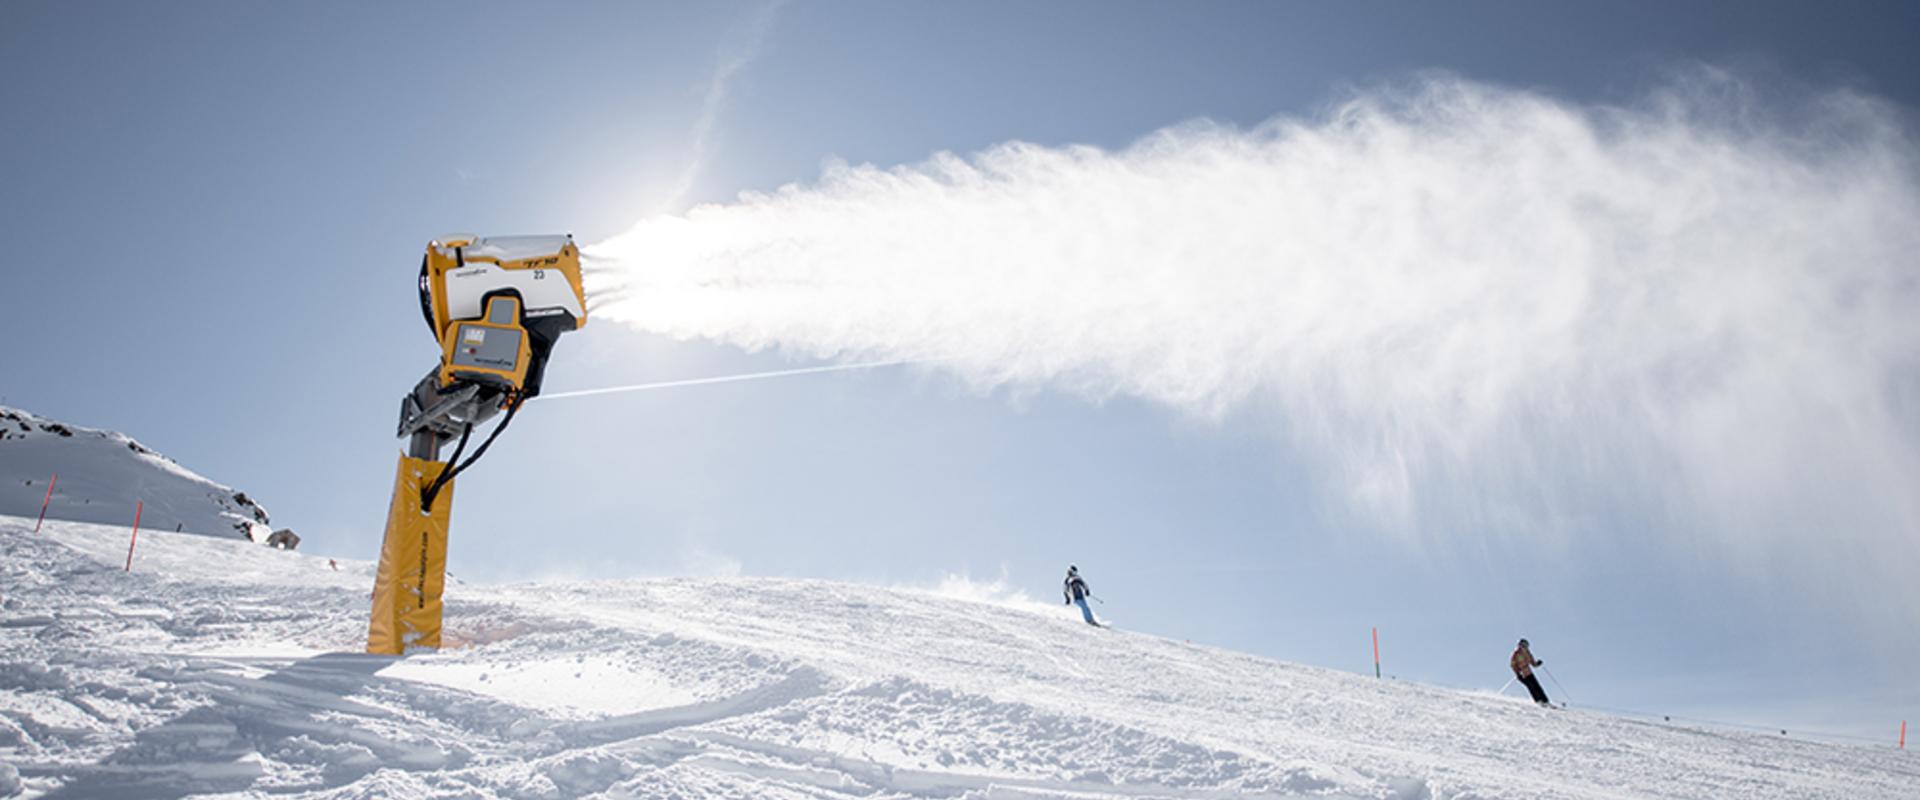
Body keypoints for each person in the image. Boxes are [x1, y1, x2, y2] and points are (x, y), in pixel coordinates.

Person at [1511, 638, 1551, 706]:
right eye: (1524, 645)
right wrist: (1518, 673)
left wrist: (1537, 663)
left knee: (1537, 686)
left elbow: (1532, 663)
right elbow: (1513, 665)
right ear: (1520, 645)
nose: (1525, 647)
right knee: (1531, 687)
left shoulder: (1528, 653)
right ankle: (1538, 701)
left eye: (1526, 646)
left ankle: (1545, 701)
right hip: (1522, 674)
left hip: (1529, 672)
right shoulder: (1516, 654)